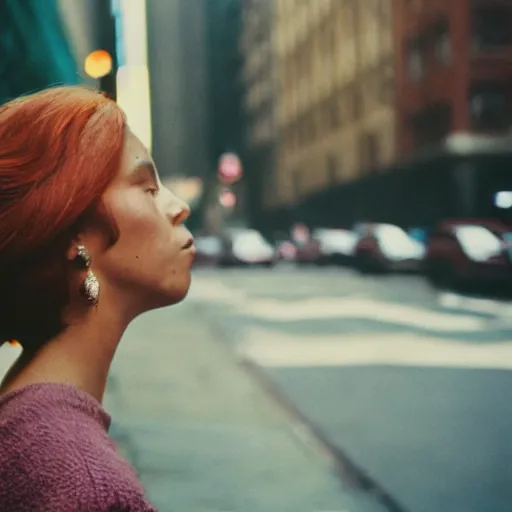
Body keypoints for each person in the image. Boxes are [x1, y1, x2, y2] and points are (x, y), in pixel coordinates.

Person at [0, 86, 195, 511]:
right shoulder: (79, 477)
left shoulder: (34, 430)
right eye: (146, 187)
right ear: (72, 233)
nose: (178, 206)